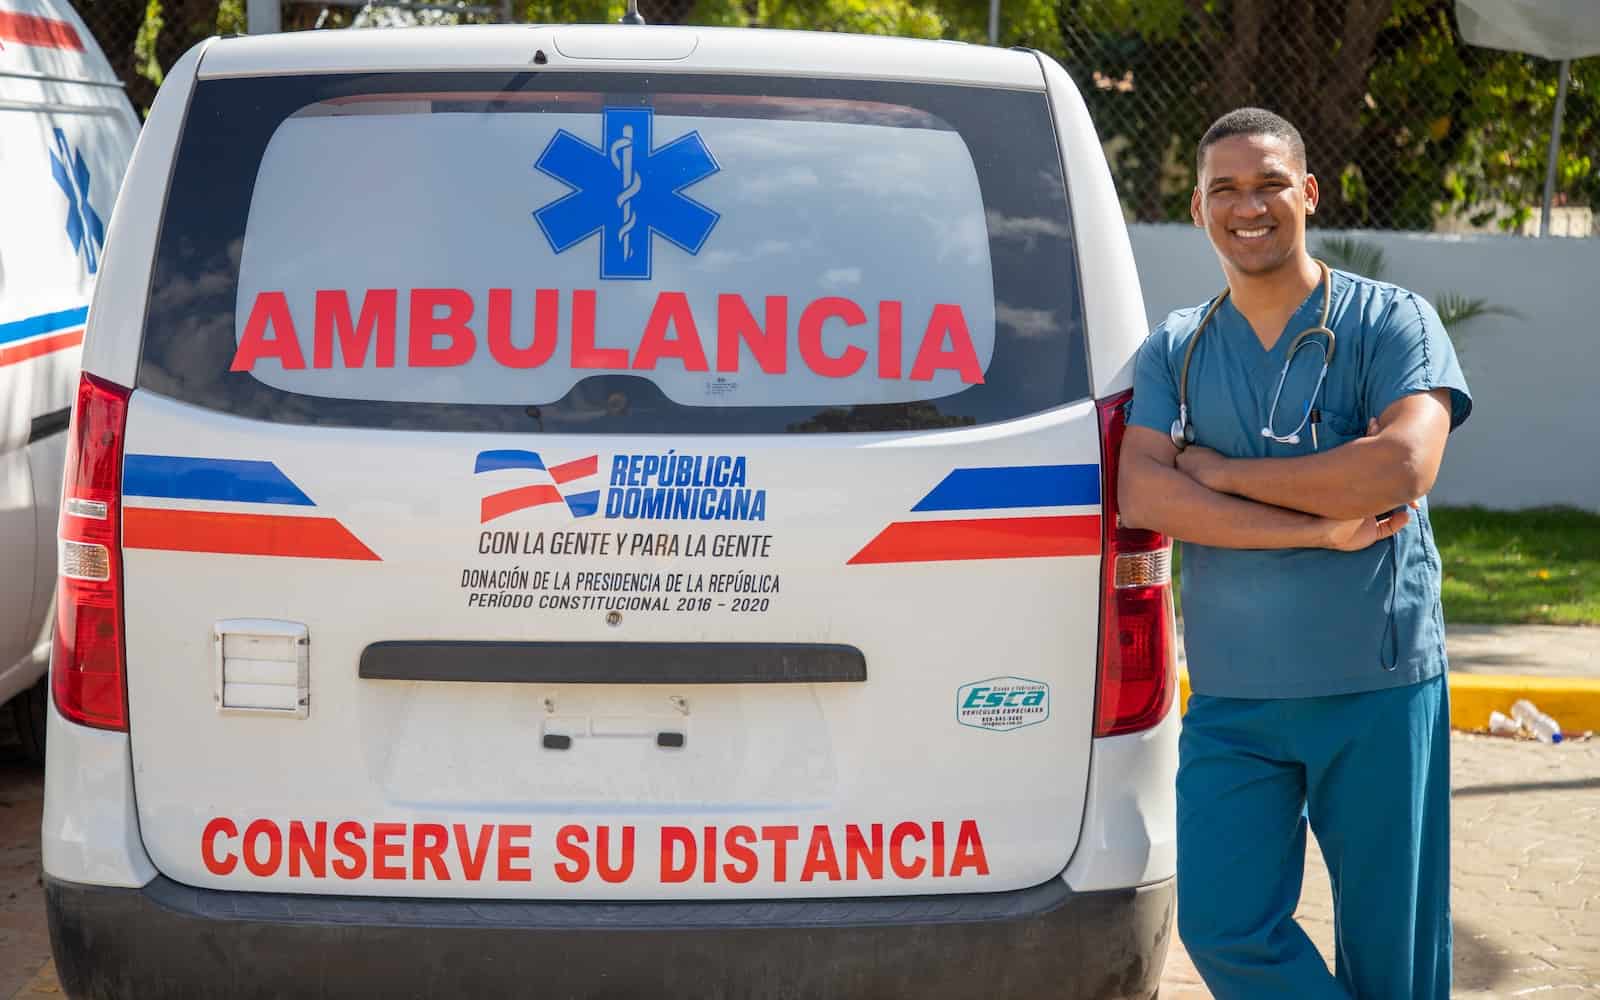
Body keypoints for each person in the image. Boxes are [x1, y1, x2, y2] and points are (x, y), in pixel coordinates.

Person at [1120, 107, 1471, 999]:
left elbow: (1399, 465)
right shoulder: (1177, 348)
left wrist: (1228, 476)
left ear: (1307, 193)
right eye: (1225, 189)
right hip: (1237, 700)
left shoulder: (1391, 321)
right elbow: (1147, 493)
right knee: (1222, 926)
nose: (1250, 206)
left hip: (1377, 687)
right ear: (1199, 211)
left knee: (1393, 956)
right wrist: (1315, 525)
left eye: (1270, 183)